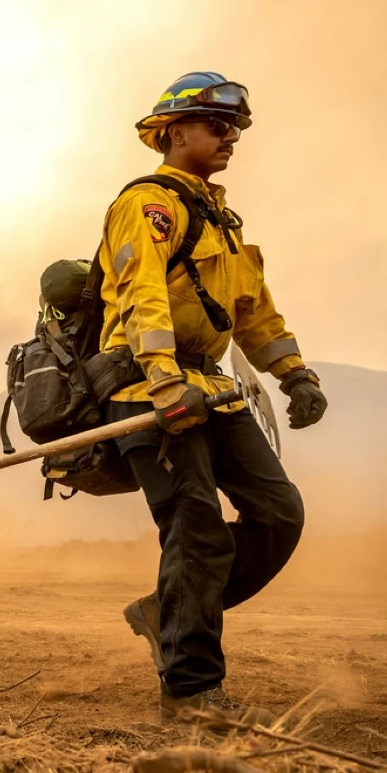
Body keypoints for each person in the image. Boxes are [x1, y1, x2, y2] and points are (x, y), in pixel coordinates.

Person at [102, 72, 325, 723]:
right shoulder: (148, 204)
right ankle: (192, 691)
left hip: (214, 390)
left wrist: (296, 376)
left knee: (280, 514)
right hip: (151, 388)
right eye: (217, 126)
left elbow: (253, 313)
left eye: (236, 129)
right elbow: (141, 291)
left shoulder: (223, 221)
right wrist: (166, 381)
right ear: (175, 133)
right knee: (197, 533)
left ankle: (165, 611)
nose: (231, 138)